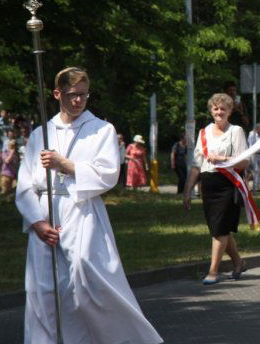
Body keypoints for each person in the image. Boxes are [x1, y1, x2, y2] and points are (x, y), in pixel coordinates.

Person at [15, 66, 162, 344]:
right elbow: (24, 185)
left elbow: (108, 173)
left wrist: (66, 165)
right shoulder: (40, 134)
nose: (78, 101)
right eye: (71, 95)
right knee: (42, 290)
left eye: (83, 95)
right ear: (58, 94)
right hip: (45, 213)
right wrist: (37, 221)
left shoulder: (101, 130)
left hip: (81, 211)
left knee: (86, 281)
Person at [183, 93, 250, 284]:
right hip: (208, 186)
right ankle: (238, 262)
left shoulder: (235, 131)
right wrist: (187, 192)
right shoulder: (204, 132)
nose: (219, 112)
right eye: (216, 108)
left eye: (223, 108)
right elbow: (197, 165)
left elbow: (244, 161)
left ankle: (213, 271)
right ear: (211, 110)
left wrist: (222, 159)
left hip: (227, 185)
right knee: (218, 229)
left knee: (219, 229)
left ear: (229, 111)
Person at [247, 123, 260, 192]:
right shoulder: (252, 134)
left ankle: (258, 186)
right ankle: (254, 187)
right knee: (256, 170)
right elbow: (251, 144)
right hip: (254, 154)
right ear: (257, 129)